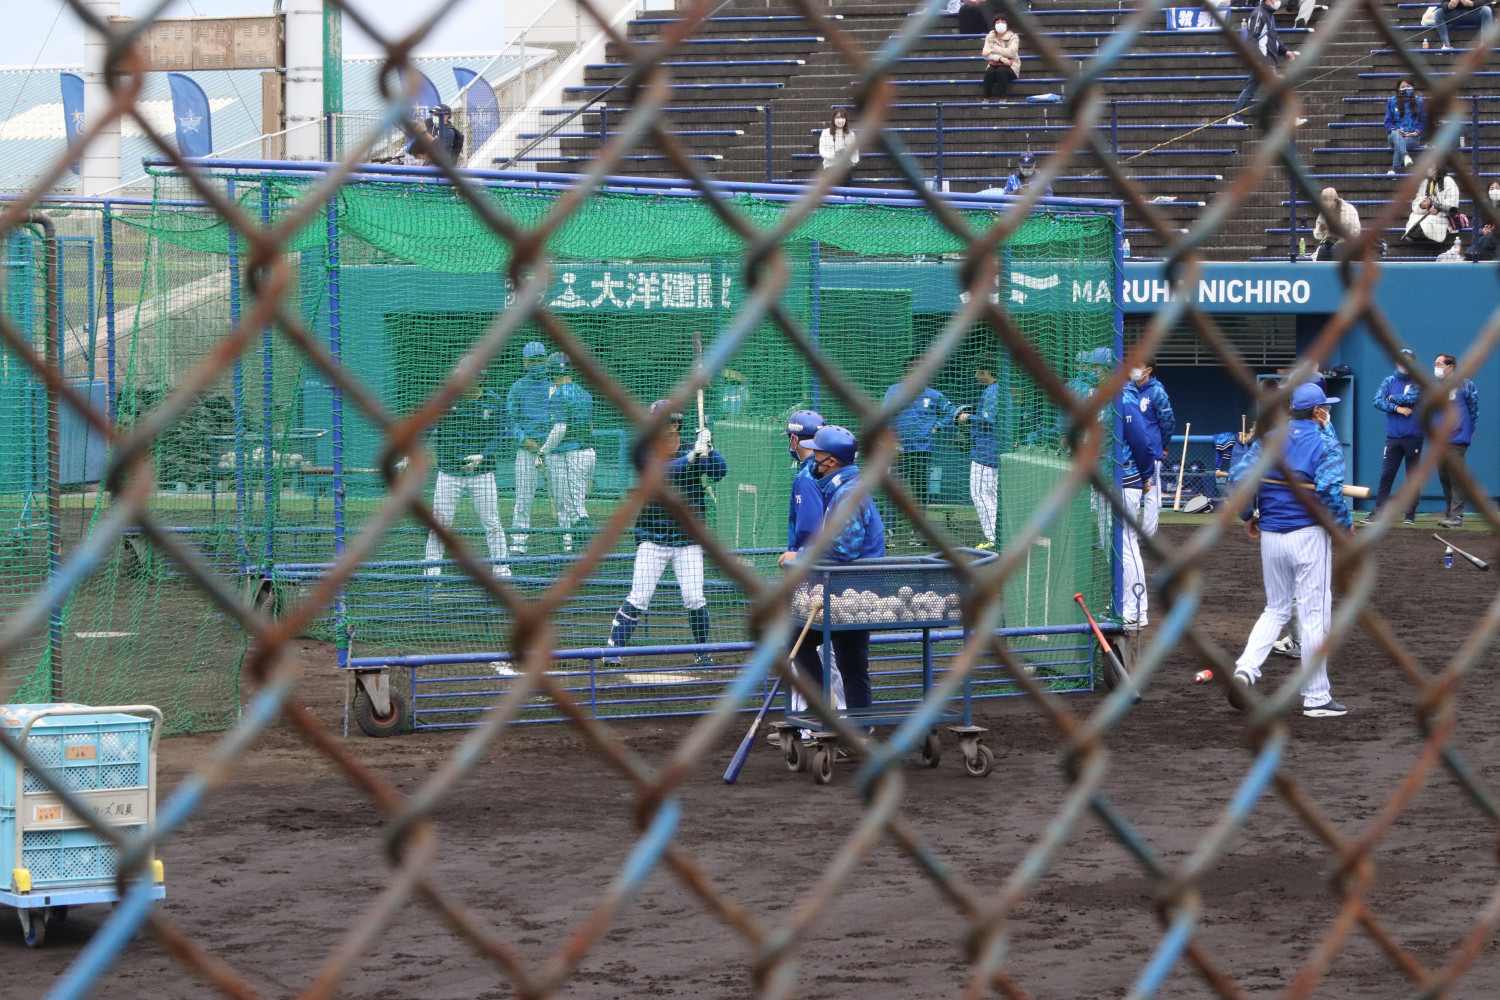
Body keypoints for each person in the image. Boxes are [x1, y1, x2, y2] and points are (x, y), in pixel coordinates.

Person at [1227, 382, 1352, 718]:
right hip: (1309, 535)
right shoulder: (1326, 442)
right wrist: (1344, 525)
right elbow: (1329, 490)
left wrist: (1248, 514)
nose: (1327, 412)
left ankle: (1245, 669)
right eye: (1325, 407)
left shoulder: (1268, 440)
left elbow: (1238, 480)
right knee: (1314, 616)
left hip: (1271, 534)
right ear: (1317, 411)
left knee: (1275, 609)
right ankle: (1317, 698)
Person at [604, 401, 727, 667]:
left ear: (674, 425)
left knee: (694, 597)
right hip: (653, 536)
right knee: (639, 597)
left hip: (688, 539)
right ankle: (613, 649)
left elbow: (720, 472)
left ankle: (702, 651)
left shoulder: (693, 449)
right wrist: (692, 457)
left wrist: (709, 449)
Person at [791, 424, 886, 714]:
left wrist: (800, 555)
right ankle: (859, 727)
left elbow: (844, 549)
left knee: (796, 641)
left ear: (831, 460)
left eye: (817, 454)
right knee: (852, 664)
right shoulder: (846, 488)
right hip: (858, 590)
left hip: (854, 594)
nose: (812, 460)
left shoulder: (848, 493)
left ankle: (825, 708)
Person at [777, 410, 846, 728]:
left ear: (794, 439)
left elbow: (809, 530)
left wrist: (799, 558)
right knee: (825, 650)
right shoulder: (826, 473)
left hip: (811, 572)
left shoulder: (806, 478)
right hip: (826, 570)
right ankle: (839, 716)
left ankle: (806, 725)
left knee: (805, 649)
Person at [422, 381, 512, 579]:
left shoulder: (494, 401)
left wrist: (483, 455)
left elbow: (503, 433)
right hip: (449, 474)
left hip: (482, 474)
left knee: (492, 522)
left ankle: (502, 569)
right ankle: (432, 572)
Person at [881, 360, 961, 532]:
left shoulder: (933, 395)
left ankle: (916, 531)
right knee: (894, 489)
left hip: (921, 450)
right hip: (897, 450)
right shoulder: (894, 391)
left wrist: (937, 426)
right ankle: (888, 530)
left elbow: (951, 412)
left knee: (919, 490)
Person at [1117, 382, 1162, 633]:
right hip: (1110, 480)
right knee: (1115, 547)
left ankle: (1136, 610)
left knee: (1126, 545)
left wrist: (1146, 476)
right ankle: (1122, 606)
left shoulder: (1125, 399)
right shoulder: (1106, 397)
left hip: (1126, 479)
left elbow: (1142, 443)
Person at [539, 353, 595, 553]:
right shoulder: (584, 394)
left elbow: (560, 428)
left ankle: (586, 551)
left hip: (570, 455)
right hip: (587, 453)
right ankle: (568, 546)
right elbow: (590, 427)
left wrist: (543, 451)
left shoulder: (559, 395)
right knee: (570, 504)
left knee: (574, 508)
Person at [507, 341, 556, 555]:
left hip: (555, 449)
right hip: (527, 450)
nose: (537, 363)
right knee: (523, 499)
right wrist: (524, 440)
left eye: (540, 359)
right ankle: (519, 542)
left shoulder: (555, 384)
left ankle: (568, 539)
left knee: (564, 497)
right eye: (532, 360)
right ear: (525, 362)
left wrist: (551, 442)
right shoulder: (518, 387)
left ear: (546, 360)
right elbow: (510, 419)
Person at [1366, 348, 1423, 524]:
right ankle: (1378, 512)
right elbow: (1377, 401)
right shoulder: (1388, 381)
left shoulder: (1418, 382)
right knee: (1387, 475)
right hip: (1393, 437)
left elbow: (1411, 398)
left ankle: (1410, 514)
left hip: (1413, 436)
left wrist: (1390, 397)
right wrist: (1397, 408)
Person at [1226, 0, 1303, 129]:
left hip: (1267, 59)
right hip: (1264, 60)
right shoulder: (1259, 14)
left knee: (1251, 89)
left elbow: (1274, 37)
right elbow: (1252, 39)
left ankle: (1235, 117)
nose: (1278, 1)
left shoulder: (1268, 15)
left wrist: (1285, 51)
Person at [958, 360, 1010, 549]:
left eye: (978, 371)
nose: (975, 375)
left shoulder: (992, 391)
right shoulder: (1001, 390)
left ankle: (993, 537)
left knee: (980, 494)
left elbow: (988, 420)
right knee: (991, 495)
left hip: (986, 452)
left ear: (987, 372)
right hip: (996, 450)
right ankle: (999, 536)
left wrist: (967, 417)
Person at [1123, 356, 1174, 544]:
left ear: (1149, 369)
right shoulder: (1127, 389)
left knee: (1151, 494)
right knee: (1130, 493)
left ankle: (1148, 536)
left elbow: (1168, 422)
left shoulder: (1157, 391)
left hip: (1150, 450)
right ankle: (1128, 533)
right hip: (1129, 451)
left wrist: (1163, 446)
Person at [1432, 353, 1479, 528]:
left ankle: (1456, 516)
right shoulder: (1435, 387)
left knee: (1456, 477)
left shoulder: (1465, 384)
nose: (1436, 367)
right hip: (1439, 439)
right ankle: (1450, 513)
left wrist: (1470, 429)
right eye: (1435, 364)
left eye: (1439, 364)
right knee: (1444, 476)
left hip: (1457, 438)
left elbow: (1474, 408)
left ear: (1450, 366)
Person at [1403, 166, 1460, 255]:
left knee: (1424, 225)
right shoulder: (1425, 182)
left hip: (1442, 217)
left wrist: (1437, 210)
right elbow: (1417, 202)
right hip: (1428, 213)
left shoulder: (1448, 181)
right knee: (1414, 217)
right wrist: (1422, 206)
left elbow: (1452, 204)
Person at [1384, 79, 1424, 176]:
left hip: (1412, 137)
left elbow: (1423, 122)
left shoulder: (1419, 101)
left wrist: (1415, 133)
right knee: (1396, 135)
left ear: (1413, 88)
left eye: (1408, 86)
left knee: (1401, 142)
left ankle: (1395, 169)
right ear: (1398, 89)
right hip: (1395, 135)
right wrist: (1395, 130)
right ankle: (1406, 156)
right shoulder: (1392, 101)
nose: (1405, 89)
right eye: (1402, 87)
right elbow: (1388, 121)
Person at [1312, 188, 1361, 260]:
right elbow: (1317, 235)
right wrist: (1320, 230)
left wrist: (1343, 241)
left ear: (1336, 201)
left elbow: (1356, 232)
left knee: (1335, 249)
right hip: (1329, 243)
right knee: (1323, 250)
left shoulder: (1350, 209)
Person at [981, 15, 1021, 103]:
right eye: (997, 22)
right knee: (989, 71)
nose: (1000, 24)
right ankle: (986, 99)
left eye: (1003, 22)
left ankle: (1003, 98)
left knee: (1001, 70)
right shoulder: (990, 36)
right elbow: (985, 54)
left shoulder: (1013, 37)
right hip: (994, 64)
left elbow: (1011, 52)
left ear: (1007, 24)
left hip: (1011, 66)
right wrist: (1000, 58)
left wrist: (993, 49)